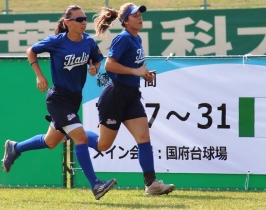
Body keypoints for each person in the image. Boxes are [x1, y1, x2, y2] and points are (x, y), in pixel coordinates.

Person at [1, 5, 116, 200]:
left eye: (85, 18)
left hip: (74, 98)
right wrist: (39, 75)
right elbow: (31, 51)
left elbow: (98, 59)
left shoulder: (87, 41)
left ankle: (15, 147)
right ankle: (96, 185)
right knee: (80, 138)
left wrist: (95, 68)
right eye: (79, 19)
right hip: (58, 98)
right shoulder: (56, 42)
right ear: (67, 23)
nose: (83, 22)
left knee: (50, 141)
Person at [86, 3, 175, 195]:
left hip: (132, 95)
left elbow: (133, 66)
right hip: (115, 96)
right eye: (135, 15)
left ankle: (151, 184)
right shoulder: (123, 38)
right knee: (103, 145)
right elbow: (109, 65)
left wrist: (143, 74)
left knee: (144, 138)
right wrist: (135, 71)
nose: (140, 17)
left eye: (140, 14)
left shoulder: (137, 38)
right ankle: (72, 133)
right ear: (125, 21)